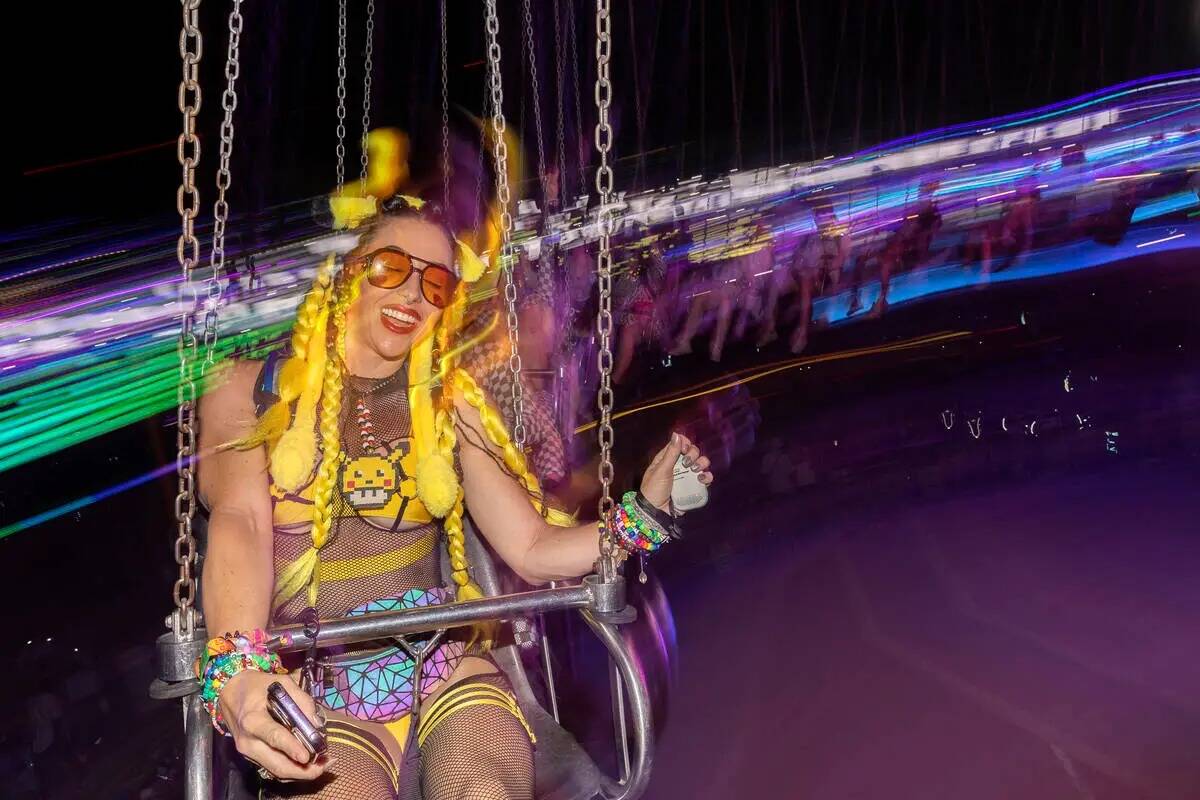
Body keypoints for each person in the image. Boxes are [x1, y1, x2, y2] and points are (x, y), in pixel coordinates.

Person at [198, 193, 715, 800]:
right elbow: (241, 521)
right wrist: (236, 672)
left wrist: (644, 514)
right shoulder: (247, 388)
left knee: (482, 783)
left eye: (436, 283)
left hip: (447, 673)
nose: (413, 295)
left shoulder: (450, 400)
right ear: (346, 274)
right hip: (321, 692)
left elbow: (532, 546)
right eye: (391, 268)